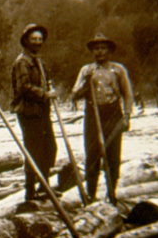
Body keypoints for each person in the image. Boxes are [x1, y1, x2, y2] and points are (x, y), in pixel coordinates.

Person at [71, 33, 133, 204]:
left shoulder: (118, 70)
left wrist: (127, 116)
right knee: (92, 155)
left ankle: (111, 193)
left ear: (109, 50)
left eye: (103, 48)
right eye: (96, 49)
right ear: (92, 51)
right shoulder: (86, 70)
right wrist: (86, 82)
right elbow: (74, 95)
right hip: (93, 114)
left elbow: (128, 94)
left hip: (113, 114)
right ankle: (91, 195)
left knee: (113, 155)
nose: (100, 52)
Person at [11, 24, 58, 206]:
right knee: (34, 152)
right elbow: (23, 88)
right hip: (29, 112)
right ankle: (30, 193)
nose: (37, 42)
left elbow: (45, 82)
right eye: (34, 39)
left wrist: (49, 88)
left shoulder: (39, 61)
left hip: (42, 111)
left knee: (49, 148)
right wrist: (45, 94)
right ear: (26, 41)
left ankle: (44, 187)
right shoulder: (22, 62)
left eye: (40, 39)